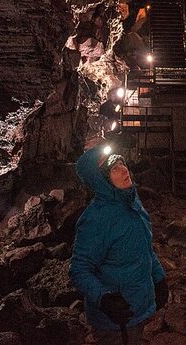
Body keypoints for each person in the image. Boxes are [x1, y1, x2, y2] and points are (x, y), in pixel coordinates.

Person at [69, 144, 168, 344]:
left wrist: (158, 277)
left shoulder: (132, 203)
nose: (125, 170)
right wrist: (104, 299)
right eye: (115, 169)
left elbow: (144, 248)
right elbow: (79, 270)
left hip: (139, 306)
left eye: (123, 164)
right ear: (104, 181)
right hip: (115, 322)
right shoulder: (97, 219)